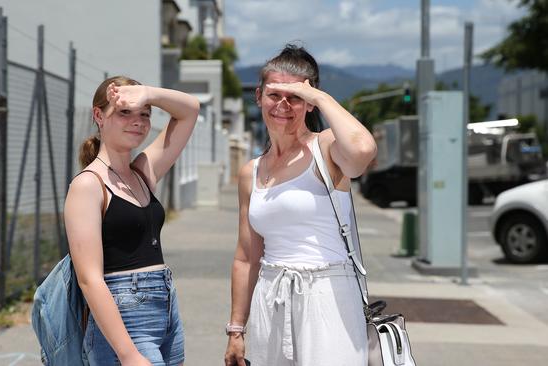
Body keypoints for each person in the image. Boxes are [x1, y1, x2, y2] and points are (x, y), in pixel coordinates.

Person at [224, 44, 377, 366]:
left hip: (327, 294)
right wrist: (236, 330)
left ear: (308, 103)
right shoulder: (250, 172)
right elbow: (246, 256)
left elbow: (363, 150)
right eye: (274, 94)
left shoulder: (326, 148)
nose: (283, 104)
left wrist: (320, 97)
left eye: (294, 97)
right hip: (271, 296)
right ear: (258, 96)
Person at [64, 76, 199, 366]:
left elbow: (189, 110)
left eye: (144, 114)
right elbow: (89, 278)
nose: (137, 121)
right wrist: (127, 354)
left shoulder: (141, 172)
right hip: (124, 320)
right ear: (99, 116)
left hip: (165, 312)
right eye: (124, 112)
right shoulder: (88, 185)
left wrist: (147, 93)